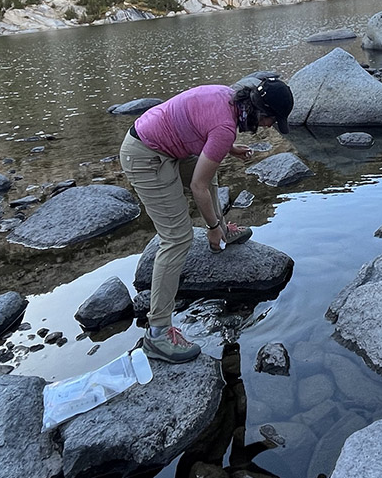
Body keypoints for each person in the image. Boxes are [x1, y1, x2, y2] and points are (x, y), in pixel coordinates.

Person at [119, 77, 294, 363]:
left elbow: (203, 126)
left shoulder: (230, 99)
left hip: (162, 143)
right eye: (271, 121)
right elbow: (197, 187)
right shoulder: (225, 128)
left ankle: (224, 232)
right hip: (145, 155)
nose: (268, 127)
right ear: (261, 113)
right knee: (176, 238)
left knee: (210, 169)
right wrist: (210, 228)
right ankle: (157, 333)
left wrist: (229, 148)